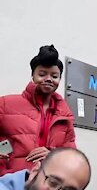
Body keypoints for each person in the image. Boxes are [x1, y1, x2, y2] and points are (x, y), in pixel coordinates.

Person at [0, 45, 76, 176]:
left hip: (44, 187)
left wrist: (52, 155)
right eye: (42, 74)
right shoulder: (6, 104)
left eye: (54, 76)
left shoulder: (65, 116)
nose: (48, 79)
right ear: (33, 76)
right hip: (7, 185)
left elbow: (71, 157)